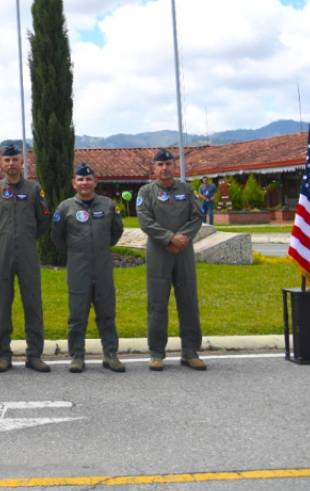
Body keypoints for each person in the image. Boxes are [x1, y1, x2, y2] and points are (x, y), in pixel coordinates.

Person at [51, 162, 125, 373]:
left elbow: (116, 231)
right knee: (77, 314)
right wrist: (76, 249)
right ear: (74, 183)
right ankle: (76, 356)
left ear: (95, 182)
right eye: (81, 179)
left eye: (89, 179)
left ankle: (111, 354)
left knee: (107, 312)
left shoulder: (108, 205)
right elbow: (57, 236)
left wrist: (100, 247)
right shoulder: (65, 208)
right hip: (78, 267)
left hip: (102, 267)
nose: (85, 183)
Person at [0, 144, 51, 373]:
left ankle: (34, 355)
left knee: (33, 301)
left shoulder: (34, 188)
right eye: (7, 160)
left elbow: (43, 219)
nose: (11, 164)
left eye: (15, 159)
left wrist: (28, 237)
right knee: (1, 303)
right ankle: (3, 355)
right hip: (2, 251)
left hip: (27, 250)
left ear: (22, 163)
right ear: (1, 164)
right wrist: (3, 237)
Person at [137, 148, 206, 371]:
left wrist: (181, 240)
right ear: (154, 168)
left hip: (184, 252)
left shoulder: (186, 189)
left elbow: (197, 217)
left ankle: (190, 352)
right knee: (157, 304)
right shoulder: (146, 191)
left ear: (174, 167)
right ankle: (157, 353)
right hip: (159, 252)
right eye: (160, 165)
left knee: (188, 301)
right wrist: (169, 239)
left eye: (168, 164)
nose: (164, 168)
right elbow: (145, 221)